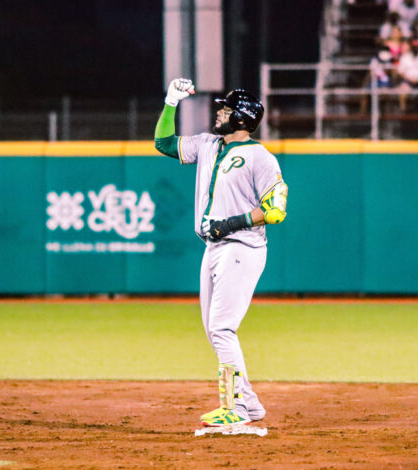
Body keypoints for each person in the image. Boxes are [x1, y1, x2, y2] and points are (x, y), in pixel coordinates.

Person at [153, 78, 288, 427]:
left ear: (241, 119)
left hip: (242, 247)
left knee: (222, 329)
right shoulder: (209, 145)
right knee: (214, 329)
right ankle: (251, 404)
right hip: (213, 248)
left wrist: (230, 223)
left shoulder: (260, 157)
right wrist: (170, 103)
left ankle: (236, 409)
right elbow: (163, 143)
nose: (219, 113)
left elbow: (275, 209)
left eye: (226, 110)